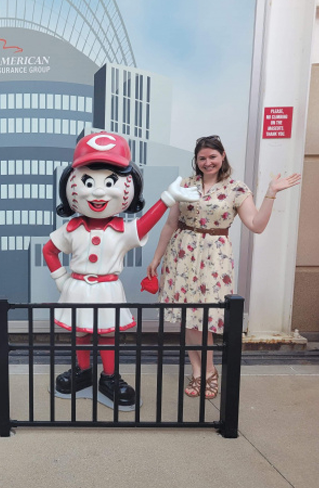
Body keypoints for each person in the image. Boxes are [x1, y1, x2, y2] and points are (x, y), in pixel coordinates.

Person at [43, 131, 199, 409]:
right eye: (88, 182)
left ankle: (110, 377)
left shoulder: (123, 230)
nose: (99, 192)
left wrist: (167, 198)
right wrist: (61, 280)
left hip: (107, 288)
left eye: (110, 182)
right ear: (71, 184)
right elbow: (49, 250)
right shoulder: (70, 228)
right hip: (77, 287)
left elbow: (145, 224)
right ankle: (82, 372)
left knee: (107, 334)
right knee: (79, 332)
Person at [146, 135, 301, 399]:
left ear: (223, 156)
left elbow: (257, 225)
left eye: (212, 157)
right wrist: (156, 257)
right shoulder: (186, 184)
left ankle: (208, 372)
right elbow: (171, 224)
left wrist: (271, 193)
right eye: (202, 158)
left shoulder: (237, 189)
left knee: (204, 319)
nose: (208, 162)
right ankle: (197, 371)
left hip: (214, 259)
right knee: (187, 318)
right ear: (196, 160)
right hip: (181, 255)